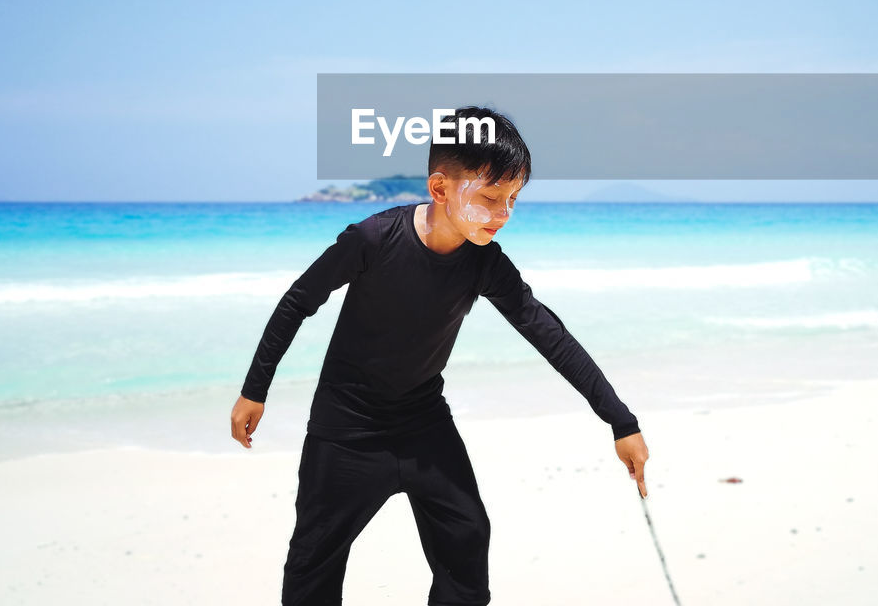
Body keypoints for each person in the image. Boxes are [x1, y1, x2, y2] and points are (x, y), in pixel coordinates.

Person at [230, 105, 649, 605]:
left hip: (424, 424)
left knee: (468, 543)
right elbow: (299, 301)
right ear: (440, 188)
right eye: (491, 197)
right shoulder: (373, 239)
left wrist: (620, 421)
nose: (502, 215)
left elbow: (549, 335)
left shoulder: (485, 263)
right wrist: (254, 391)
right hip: (347, 431)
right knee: (313, 565)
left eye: (513, 200)